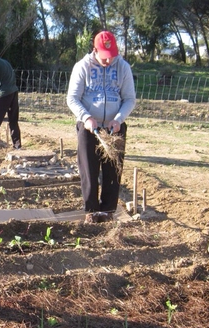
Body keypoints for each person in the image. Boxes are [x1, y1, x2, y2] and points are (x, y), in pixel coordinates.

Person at [66, 30, 136, 223]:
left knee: (113, 170)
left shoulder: (123, 67)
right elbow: (72, 98)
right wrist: (86, 117)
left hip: (114, 128)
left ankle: (108, 211)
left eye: (111, 56)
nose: (108, 61)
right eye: (104, 57)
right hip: (89, 127)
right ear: (94, 50)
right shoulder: (82, 67)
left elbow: (129, 99)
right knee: (89, 169)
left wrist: (119, 119)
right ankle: (91, 211)